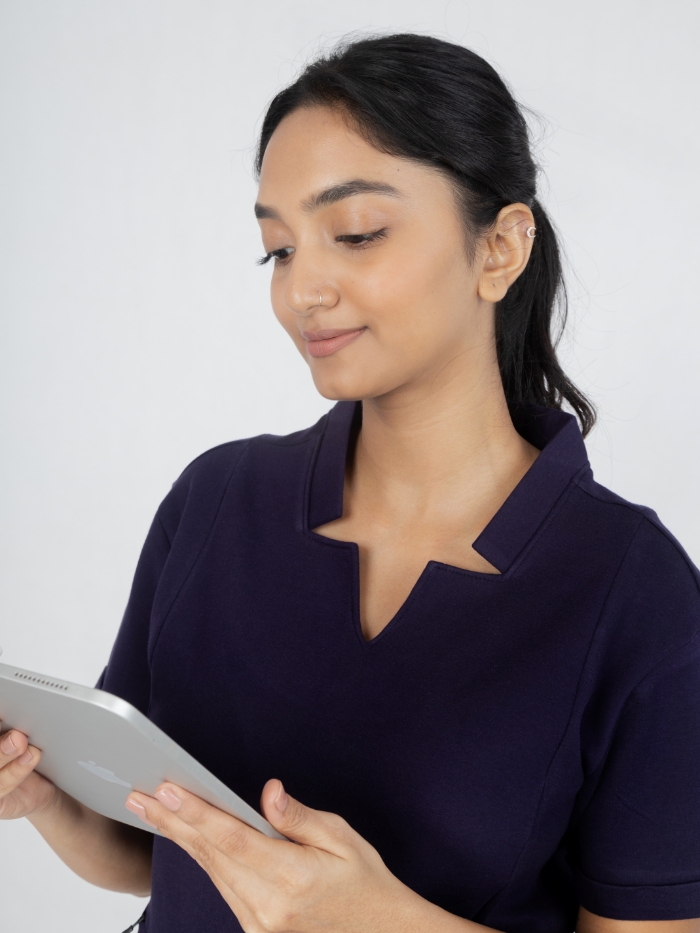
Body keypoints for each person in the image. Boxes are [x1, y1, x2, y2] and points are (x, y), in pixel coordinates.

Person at [1, 33, 699, 933]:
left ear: (501, 248)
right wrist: (48, 795)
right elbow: (158, 853)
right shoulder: (216, 503)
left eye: (357, 232)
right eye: (279, 251)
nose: (303, 291)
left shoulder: (632, 590)